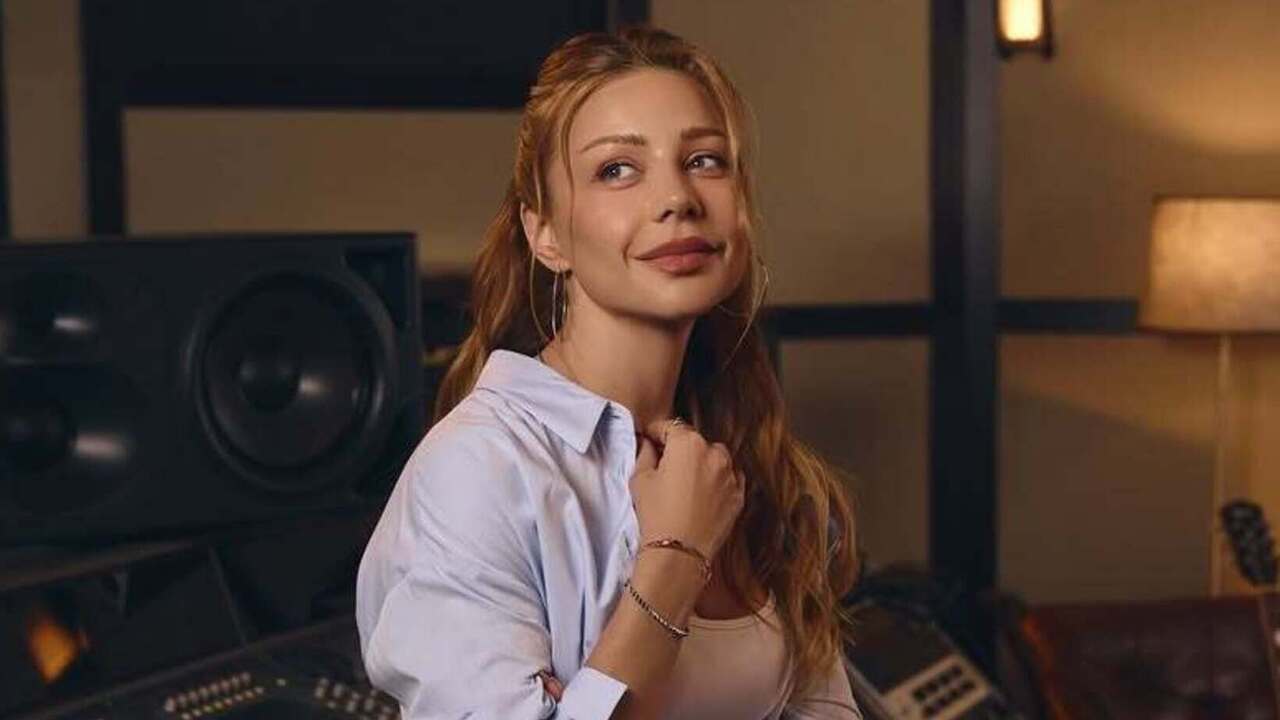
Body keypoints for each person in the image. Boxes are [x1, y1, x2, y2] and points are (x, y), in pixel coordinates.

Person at [356, 25, 862, 719]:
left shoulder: (741, 454)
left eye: (705, 160)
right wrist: (676, 556)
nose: (677, 198)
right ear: (546, 234)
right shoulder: (480, 470)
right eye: (617, 170)